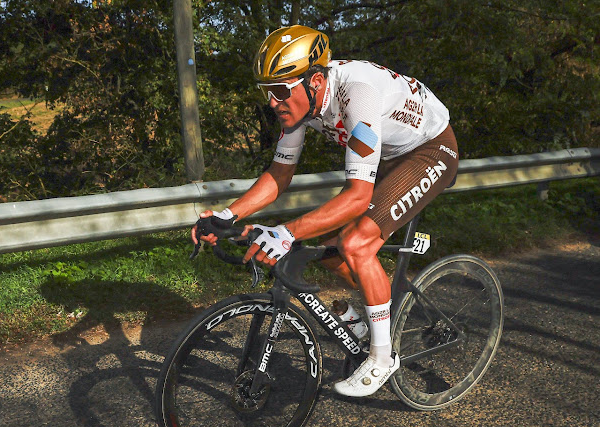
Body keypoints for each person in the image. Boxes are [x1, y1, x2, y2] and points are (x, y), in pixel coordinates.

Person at [192, 25, 458, 397]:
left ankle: (383, 357)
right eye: (267, 92)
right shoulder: (300, 106)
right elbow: (280, 174)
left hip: (430, 149)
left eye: (280, 91)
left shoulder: (358, 97)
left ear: (315, 81)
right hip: (389, 154)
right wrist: (227, 215)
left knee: (357, 242)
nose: (272, 102)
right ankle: (375, 313)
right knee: (326, 244)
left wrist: (284, 233)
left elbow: (356, 195)